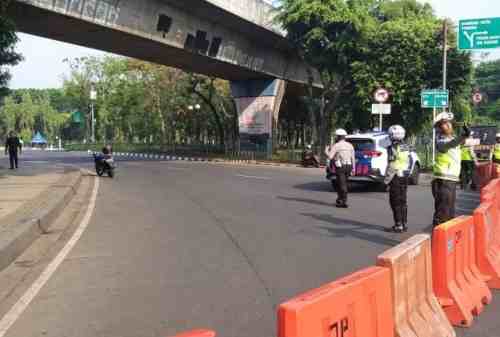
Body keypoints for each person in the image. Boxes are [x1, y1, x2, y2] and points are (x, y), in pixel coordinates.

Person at [432, 113, 470, 227]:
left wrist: (467, 134)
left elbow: (460, 142)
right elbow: (448, 145)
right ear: (439, 127)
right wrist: (463, 136)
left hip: (450, 180)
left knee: (449, 215)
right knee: (443, 214)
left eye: (449, 123)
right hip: (443, 180)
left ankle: (447, 243)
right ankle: (438, 242)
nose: (448, 125)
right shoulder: (440, 140)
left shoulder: (453, 138)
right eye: (444, 123)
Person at [384, 125, 412, 233]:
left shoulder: (392, 148)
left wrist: (386, 181)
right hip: (404, 176)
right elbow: (408, 160)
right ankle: (404, 223)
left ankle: (398, 225)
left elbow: (392, 165)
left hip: (395, 176)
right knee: (403, 200)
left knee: (395, 201)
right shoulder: (406, 146)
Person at [325, 129, 355, 208]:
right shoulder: (350, 145)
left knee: (341, 184)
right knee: (342, 183)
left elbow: (330, 157)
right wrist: (353, 169)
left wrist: (326, 151)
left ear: (338, 137)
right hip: (349, 166)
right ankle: (340, 199)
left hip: (341, 167)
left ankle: (343, 201)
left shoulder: (337, 145)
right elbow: (353, 158)